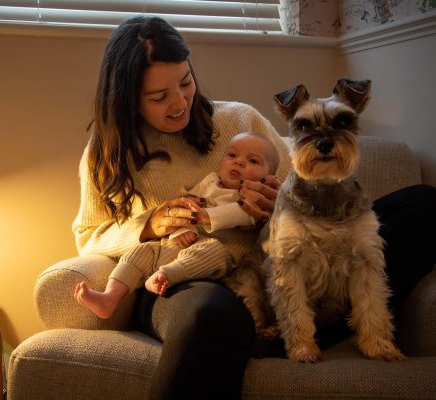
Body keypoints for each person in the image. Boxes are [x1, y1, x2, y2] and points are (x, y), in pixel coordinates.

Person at [70, 15, 436, 400]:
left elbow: (300, 184)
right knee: (208, 315)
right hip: (185, 277)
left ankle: (296, 329)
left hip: (271, 267)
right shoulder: (106, 152)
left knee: (423, 205)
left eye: (185, 82)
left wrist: (278, 205)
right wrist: (148, 225)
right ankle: (282, 332)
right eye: (159, 97)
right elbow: (87, 237)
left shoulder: (239, 118)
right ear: (127, 96)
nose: (179, 102)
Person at [75, 131, 280, 320]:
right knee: (142, 252)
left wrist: (205, 216)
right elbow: (187, 205)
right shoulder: (210, 182)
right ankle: (109, 297)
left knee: (212, 250)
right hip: (178, 245)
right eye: (232, 156)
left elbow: (240, 214)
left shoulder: (252, 196)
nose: (240, 163)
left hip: (215, 255)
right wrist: (183, 228)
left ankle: (164, 276)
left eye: (253, 161)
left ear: (269, 177)